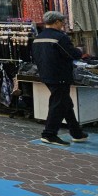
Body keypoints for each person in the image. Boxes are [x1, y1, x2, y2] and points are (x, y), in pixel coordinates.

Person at [33, 10, 88, 145]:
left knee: (65, 103)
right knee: (58, 104)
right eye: (62, 22)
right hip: (60, 75)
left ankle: (77, 133)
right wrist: (80, 51)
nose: (63, 24)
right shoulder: (60, 37)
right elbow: (71, 54)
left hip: (45, 74)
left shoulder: (38, 37)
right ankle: (49, 134)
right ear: (57, 22)